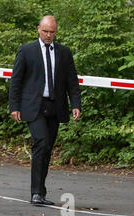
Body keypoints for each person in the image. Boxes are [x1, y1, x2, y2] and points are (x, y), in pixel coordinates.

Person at [8, 15, 81, 206]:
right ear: (38, 29)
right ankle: (36, 193)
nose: (48, 35)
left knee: (47, 148)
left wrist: (76, 104)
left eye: (52, 32)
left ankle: (41, 190)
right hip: (34, 105)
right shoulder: (26, 50)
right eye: (45, 31)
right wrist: (14, 106)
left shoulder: (64, 52)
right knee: (41, 142)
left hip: (55, 106)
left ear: (56, 32)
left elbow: (72, 80)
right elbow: (16, 80)